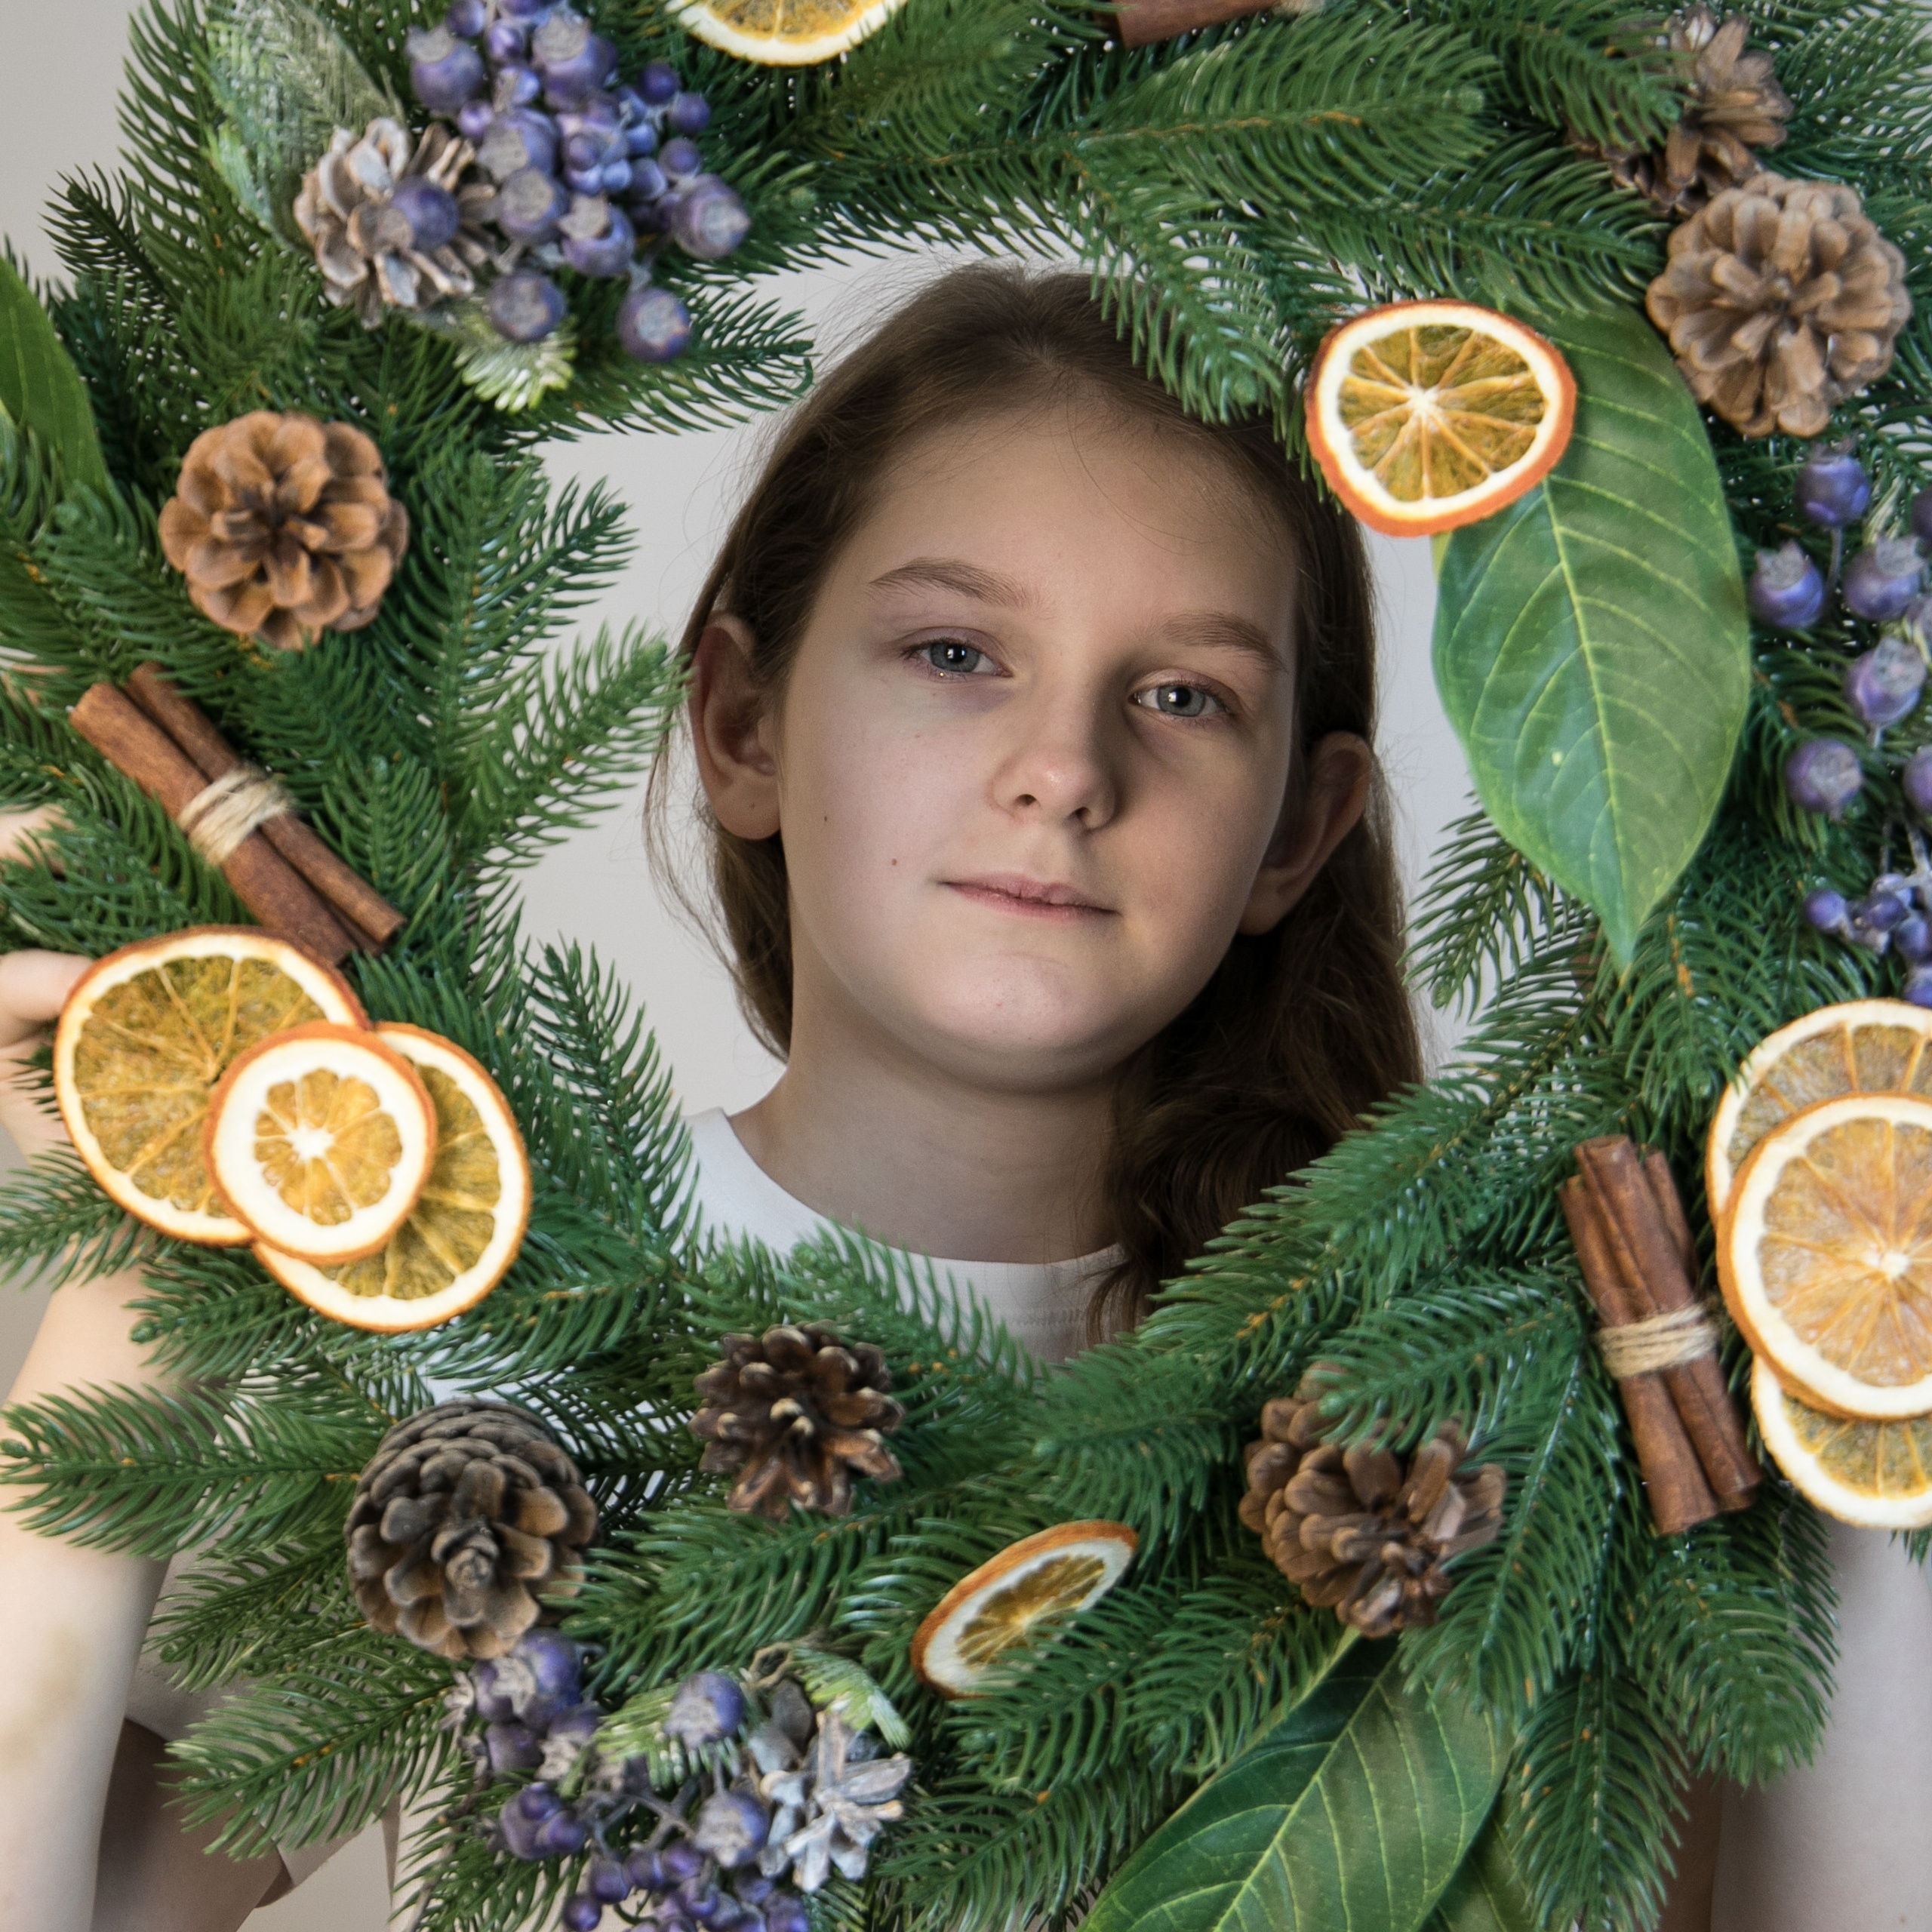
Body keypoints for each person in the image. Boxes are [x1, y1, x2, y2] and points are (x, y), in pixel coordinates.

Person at [9, 262, 1901, 1932]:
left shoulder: (1443, 1442)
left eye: (1180, 697)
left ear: (1294, 832)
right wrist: (123, 1223)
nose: (1060, 766)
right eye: (951, 653)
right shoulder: (450, 1324)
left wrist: (1859, 1330)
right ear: (744, 720)